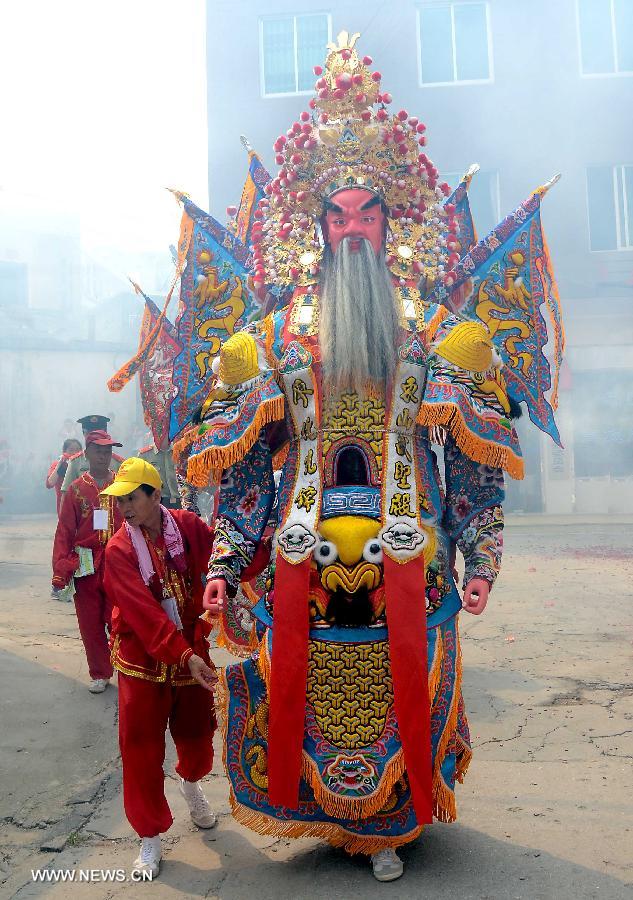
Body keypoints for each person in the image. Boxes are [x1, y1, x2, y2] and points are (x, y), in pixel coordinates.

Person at [187, 34, 551, 883]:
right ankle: (326, 817)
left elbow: (471, 468)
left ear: (391, 221)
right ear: (317, 225)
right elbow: (243, 477)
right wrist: (225, 559)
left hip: (408, 550)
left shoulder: (439, 336)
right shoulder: (274, 340)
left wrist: (482, 561)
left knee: (398, 684)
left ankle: (389, 822)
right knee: (310, 686)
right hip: (299, 551)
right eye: (336, 215)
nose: (351, 228)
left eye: (366, 212)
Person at [101, 457, 218, 880]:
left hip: (192, 650)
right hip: (142, 661)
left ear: (155, 495)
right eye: (119, 500)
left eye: (132, 497)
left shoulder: (187, 526)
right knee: (141, 749)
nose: (124, 507)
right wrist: (184, 653)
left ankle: (191, 782)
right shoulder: (118, 549)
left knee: (198, 734)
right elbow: (144, 615)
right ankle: (149, 836)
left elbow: (223, 561)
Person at [52, 430, 124, 692]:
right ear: (87, 452)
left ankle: (125, 666)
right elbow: (64, 530)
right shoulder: (76, 489)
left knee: (119, 617)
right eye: (98, 451)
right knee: (89, 620)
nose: (103, 457)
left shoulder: (122, 486)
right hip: (85, 562)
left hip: (118, 562)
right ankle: (100, 672)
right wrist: (61, 568)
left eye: (107, 452)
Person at [61, 415, 124, 492]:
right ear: (84, 433)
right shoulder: (75, 461)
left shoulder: (118, 462)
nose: (95, 437)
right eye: (91, 433)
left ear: (105, 433)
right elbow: (67, 494)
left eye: (99, 432)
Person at [137, 436, 181, 509]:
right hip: (158, 503)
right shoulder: (145, 455)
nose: (161, 434)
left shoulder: (180, 450)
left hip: (180, 501)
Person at [46, 438, 83, 515]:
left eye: (77, 450)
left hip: (83, 506)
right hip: (64, 507)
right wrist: (60, 463)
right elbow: (50, 484)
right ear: (64, 452)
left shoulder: (84, 465)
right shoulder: (58, 465)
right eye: (71, 450)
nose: (74, 452)